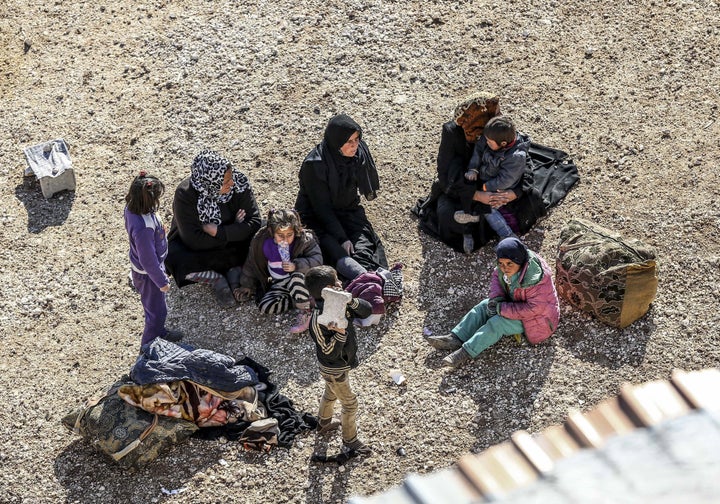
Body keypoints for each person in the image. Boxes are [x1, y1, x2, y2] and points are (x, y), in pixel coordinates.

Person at [413, 92, 545, 254]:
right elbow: (446, 176)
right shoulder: (453, 133)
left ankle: (497, 228)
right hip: (464, 188)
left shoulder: (499, 129)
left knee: (532, 198)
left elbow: (525, 165)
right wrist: (476, 195)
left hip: (498, 181)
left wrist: (514, 193)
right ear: (479, 118)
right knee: (447, 214)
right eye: (496, 114)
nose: (500, 116)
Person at [425, 237, 559, 368]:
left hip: (537, 320)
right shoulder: (507, 268)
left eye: (509, 264)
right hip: (514, 303)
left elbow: (533, 309)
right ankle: (456, 338)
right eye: (501, 263)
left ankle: (465, 352)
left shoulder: (536, 278)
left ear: (519, 261)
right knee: (484, 305)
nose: (504, 268)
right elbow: (497, 278)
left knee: (498, 323)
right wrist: (496, 300)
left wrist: (501, 308)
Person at [295, 114, 388, 282]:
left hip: (347, 210)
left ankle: (370, 278)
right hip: (316, 217)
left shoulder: (357, 154)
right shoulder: (315, 165)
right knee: (334, 250)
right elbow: (321, 208)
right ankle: (363, 279)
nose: (355, 146)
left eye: (357, 139)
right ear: (337, 142)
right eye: (349, 142)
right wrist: (342, 238)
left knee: (363, 247)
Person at [165, 149, 261, 306]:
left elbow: (255, 221)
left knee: (262, 237)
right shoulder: (185, 194)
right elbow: (193, 239)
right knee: (174, 256)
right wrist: (235, 230)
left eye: (230, 177)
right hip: (204, 249)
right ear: (211, 182)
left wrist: (219, 231)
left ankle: (232, 270)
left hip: (226, 239)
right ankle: (217, 278)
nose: (232, 183)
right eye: (225, 182)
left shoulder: (239, 183)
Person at [305, 265, 373, 455]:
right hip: (333, 368)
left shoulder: (340, 304)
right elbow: (328, 352)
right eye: (336, 282)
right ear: (328, 290)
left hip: (341, 365)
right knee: (350, 404)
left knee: (330, 393)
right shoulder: (318, 320)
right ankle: (350, 440)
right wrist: (340, 335)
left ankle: (323, 423)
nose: (340, 283)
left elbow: (367, 311)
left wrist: (350, 301)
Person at [235, 208, 322, 334]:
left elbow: (317, 259)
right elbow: (252, 263)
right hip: (279, 284)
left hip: (301, 282)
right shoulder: (261, 242)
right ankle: (298, 301)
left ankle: (306, 313)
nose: (285, 240)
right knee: (265, 306)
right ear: (271, 231)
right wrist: (246, 285)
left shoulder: (304, 240)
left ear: (295, 231)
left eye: (289, 235)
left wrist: (296, 265)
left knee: (296, 278)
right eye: (280, 236)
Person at [124, 171, 183, 346]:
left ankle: (160, 333)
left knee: (156, 309)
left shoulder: (131, 209)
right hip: (148, 276)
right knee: (156, 313)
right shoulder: (144, 229)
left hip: (146, 271)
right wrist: (162, 282)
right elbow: (148, 261)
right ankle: (148, 347)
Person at [454, 116, 530, 244]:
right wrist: (473, 168)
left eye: (489, 142)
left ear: (503, 144)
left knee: (490, 206)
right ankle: (475, 216)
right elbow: (478, 150)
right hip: (484, 178)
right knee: (462, 189)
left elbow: (505, 180)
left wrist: (485, 187)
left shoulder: (516, 157)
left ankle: (506, 234)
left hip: (500, 188)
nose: (486, 143)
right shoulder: (491, 137)